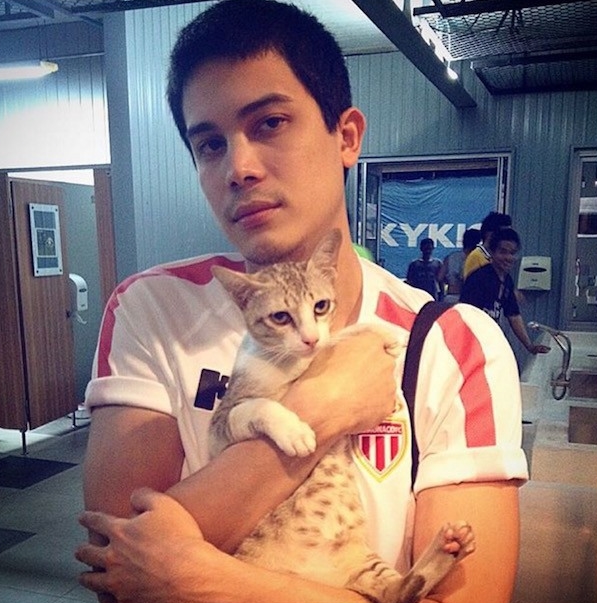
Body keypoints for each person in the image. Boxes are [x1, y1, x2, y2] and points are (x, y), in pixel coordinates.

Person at [75, 2, 528, 602]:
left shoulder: (454, 345)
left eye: (270, 123)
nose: (239, 168)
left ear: (346, 137)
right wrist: (321, 408)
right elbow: (118, 567)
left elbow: (150, 568)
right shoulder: (151, 311)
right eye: (209, 144)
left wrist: (204, 580)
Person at [460, 228, 550, 355]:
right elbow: (465, 317)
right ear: (491, 252)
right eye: (503, 252)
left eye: (512, 253)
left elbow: (513, 316)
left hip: (487, 344)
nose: (508, 258)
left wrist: (530, 346)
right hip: (472, 346)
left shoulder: (507, 281)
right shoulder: (479, 279)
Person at [463, 211, 512, 279]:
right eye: (503, 234)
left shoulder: (494, 257)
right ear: (490, 234)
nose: (507, 238)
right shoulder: (476, 257)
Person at [438, 228, 481, 304]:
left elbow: (440, 277)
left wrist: (450, 281)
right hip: (468, 298)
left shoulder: (451, 257)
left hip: (451, 295)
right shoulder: (477, 259)